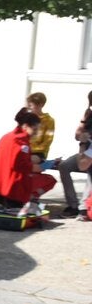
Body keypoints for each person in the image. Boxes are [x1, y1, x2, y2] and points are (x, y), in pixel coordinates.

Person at [0, 107, 57, 215]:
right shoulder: (21, 142)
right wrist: (47, 165)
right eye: (35, 129)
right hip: (12, 187)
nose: (36, 133)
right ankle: (30, 199)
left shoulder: (8, 137)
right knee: (50, 180)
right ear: (25, 126)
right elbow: (23, 166)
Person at [57, 90, 92, 218]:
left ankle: (84, 208)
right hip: (84, 152)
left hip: (89, 154)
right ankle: (73, 206)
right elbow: (76, 136)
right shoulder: (88, 115)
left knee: (90, 168)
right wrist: (82, 127)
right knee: (64, 166)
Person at [26, 92, 55, 162]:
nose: (29, 108)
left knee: (27, 160)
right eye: (28, 105)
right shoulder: (27, 118)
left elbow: (47, 141)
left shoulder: (49, 120)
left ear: (40, 105)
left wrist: (32, 149)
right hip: (25, 150)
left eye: (31, 105)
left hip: (39, 153)